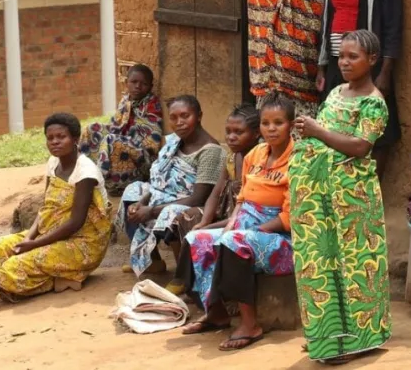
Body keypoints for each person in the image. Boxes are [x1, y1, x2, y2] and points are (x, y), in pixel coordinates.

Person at [0, 113, 111, 324]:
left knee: (20, 262)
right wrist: (29, 238)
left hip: (83, 244)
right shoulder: (53, 163)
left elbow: (75, 223)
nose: (55, 142)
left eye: (61, 137)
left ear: (76, 139)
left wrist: (34, 244)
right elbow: (47, 207)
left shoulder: (85, 172)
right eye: (50, 138)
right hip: (50, 232)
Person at [290, 30, 392, 364]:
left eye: (353, 57)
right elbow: (326, 136)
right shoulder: (335, 92)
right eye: (341, 56)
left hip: (351, 199)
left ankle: (357, 340)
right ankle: (326, 337)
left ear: (372, 60)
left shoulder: (374, 103)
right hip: (321, 197)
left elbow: (361, 147)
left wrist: (317, 131)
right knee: (321, 264)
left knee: (353, 266)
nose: (345, 63)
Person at [180, 93, 295, 352]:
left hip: (280, 240)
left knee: (233, 242)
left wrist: (248, 231)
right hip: (245, 227)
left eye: (278, 123)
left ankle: (250, 324)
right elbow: (242, 199)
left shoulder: (298, 160)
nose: (271, 129)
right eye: (266, 123)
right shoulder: (255, 154)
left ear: (291, 124)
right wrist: (232, 224)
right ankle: (215, 312)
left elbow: (289, 217)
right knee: (196, 239)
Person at [316, 0, 403, 180]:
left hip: (368, 64)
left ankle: (368, 188)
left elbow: (393, 27)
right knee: (334, 121)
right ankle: (338, 183)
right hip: (336, 60)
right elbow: (326, 19)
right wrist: (321, 66)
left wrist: (385, 71)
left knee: (378, 131)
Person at [115, 95, 226, 276]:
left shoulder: (210, 151)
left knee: (172, 212)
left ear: (199, 116)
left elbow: (199, 198)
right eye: (173, 118)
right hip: (164, 195)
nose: (179, 122)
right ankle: (152, 261)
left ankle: (183, 276)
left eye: (185, 116)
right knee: (132, 192)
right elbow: (159, 181)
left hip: (192, 203)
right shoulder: (173, 142)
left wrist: (151, 211)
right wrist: (142, 202)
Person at [164, 104, 261, 296]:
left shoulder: (259, 160)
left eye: (238, 132)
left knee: (205, 234)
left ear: (256, 133)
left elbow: (247, 209)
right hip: (225, 214)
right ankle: (190, 281)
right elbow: (215, 194)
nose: (231, 137)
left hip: (246, 218)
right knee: (186, 218)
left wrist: (209, 228)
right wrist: (205, 221)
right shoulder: (231, 158)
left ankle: (221, 292)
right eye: (228, 132)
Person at [247, 0, 329, 127]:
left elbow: (321, 20)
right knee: (271, 124)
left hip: (302, 67)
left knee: (300, 125)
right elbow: (256, 10)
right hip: (268, 68)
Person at [79, 64, 163, 196]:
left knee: (112, 140)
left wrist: (120, 139)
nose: (138, 87)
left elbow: (152, 142)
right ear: (126, 83)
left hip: (143, 157)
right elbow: (115, 125)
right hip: (121, 143)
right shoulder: (126, 101)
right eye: (134, 82)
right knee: (91, 129)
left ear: (150, 87)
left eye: (144, 84)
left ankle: (115, 183)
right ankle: (86, 175)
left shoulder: (152, 104)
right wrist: (112, 136)